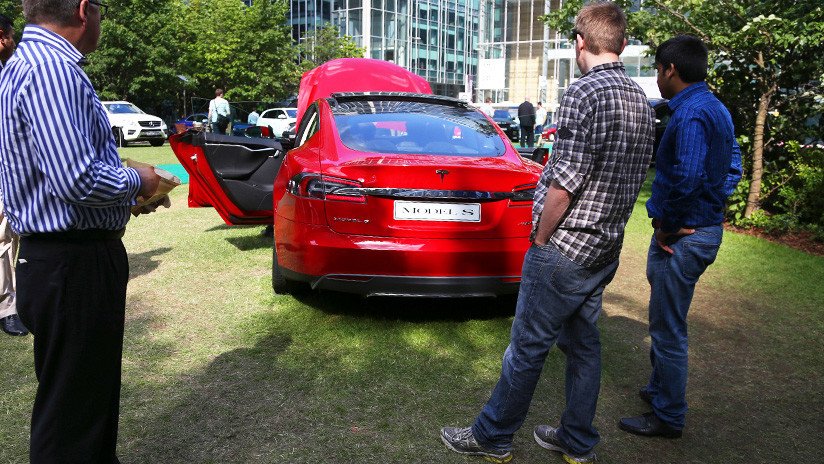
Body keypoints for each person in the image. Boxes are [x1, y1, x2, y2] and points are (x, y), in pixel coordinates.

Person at [440, 3, 654, 463]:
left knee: (527, 346)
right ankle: (576, 439)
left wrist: (540, 238)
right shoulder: (639, 96)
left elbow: (565, 182)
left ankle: (492, 435)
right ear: (619, 42)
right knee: (582, 346)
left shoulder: (584, 92)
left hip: (564, 247)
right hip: (604, 247)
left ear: (581, 42)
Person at [0, 0, 162, 461]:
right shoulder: (52, 69)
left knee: (76, 401)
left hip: (60, 257)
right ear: (84, 10)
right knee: (74, 413)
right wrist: (140, 180)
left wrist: (125, 202)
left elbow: (51, 179)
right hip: (73, 262)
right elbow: (77, 179)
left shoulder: (24, 65)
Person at [618, 35, 742, 439]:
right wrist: (714, 204)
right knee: (663, 318)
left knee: (668, 329)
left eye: (656, 69)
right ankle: (658, 390)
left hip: (683, 237)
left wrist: (671, 223)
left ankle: (668, 416)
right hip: (698, 229)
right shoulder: (714, 107)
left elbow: (687, 177)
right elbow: (733, 166)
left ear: (670, 69)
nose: (656, 77)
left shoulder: (690, 115)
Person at [0, 13, 27, 337]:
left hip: (12, 166)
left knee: (9, 234)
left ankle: (9, 303)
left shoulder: (19, 70)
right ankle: (7, 304)